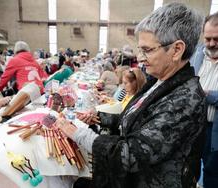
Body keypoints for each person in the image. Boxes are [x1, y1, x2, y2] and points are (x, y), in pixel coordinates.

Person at [57, 3, 207, 188]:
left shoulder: (185, 98)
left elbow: (131, 155)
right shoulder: (157, 81)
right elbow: (139, 120)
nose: (140, 58)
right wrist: (99, 119)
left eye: (148, 50)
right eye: (140, 49)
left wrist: (78, 134)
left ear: (176, 50)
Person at [190, 12, 218, 188]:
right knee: (191, 169)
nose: (211, 44)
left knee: (213, 174)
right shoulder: (197, 55)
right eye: (208, 39)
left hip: (215, 131)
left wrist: (208, 95)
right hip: (194, 126)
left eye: (216, 39)